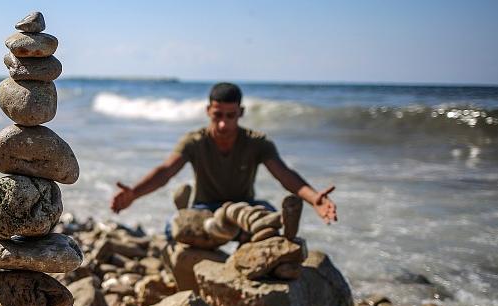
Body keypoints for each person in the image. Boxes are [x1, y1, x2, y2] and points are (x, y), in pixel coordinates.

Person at [109, 82, 337, 228]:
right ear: (208, 111)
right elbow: (166, 172)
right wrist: (134, 194)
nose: (223, 123)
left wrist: (313, 198)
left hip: (244, 207)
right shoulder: (195, 141)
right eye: (217, 115)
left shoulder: (257, 143)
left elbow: (285, 175)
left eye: (230, 116)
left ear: (241, 113)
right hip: (205, 209)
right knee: (173, 228)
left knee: (269, 217)